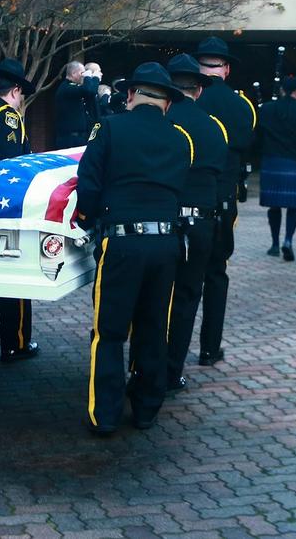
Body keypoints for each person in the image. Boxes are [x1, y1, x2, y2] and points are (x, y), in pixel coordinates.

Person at [75, 62, 192, 435]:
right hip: (166, 243)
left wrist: (92, 219)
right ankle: (145, 408)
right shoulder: (180, 138)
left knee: (109, 331)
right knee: (154, 326)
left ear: (129, 95)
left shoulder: (109, 127)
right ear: (167, 104)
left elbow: (88, 185)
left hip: (122, 242)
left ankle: (105, 415)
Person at [156, 53, 228, 394]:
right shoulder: (214, 127)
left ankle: (146, 367)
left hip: (162, 218)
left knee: (154, 298)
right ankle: (172, 371)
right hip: (200, 221)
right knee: (185, 299)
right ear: (199, 90)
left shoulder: (160, 123)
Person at [193, 36, 257, 367]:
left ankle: (172, 353)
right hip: (221, 199)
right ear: (226, 69)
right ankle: (209, 347)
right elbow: (246, 143)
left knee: (181, 279)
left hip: (185, 197)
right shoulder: (240, 104)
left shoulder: (184, 101)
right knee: (216, 274)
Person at [0, 57, 41, 364]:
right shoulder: (6, 116)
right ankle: (14, 341)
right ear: (15, 91)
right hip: (3, 206)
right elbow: (13, 167)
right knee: (13, 277)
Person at [258, 75, 296, 261]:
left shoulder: (266, 109)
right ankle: (288, 241)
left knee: (274, 206)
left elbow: (258, 136)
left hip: (271, 162)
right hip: (293, 163)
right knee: (295, 206)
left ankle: (275, 244)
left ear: (282, 90)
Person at [53, 61, 100, 148]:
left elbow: (90, 92)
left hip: (79, 137)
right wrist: (93, 77)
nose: (83, 75)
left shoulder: (75, 87)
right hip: (70, 139)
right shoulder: (66, 88)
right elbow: (89, 91)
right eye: (82, 73)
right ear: (74, 73)